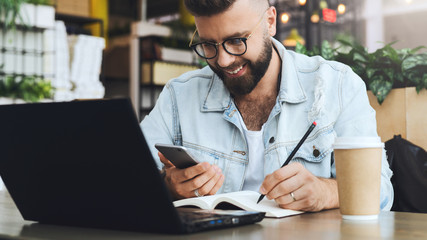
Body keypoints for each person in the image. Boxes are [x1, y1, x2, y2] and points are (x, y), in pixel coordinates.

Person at [141, 0, 394, 212]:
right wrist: (168, 186)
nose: (224, 59)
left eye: (237, 40)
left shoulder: (337, 86)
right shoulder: (179, 95)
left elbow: (380, 191)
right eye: (208, 45)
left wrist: (326, 193)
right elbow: (126, 180)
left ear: (270, 22)